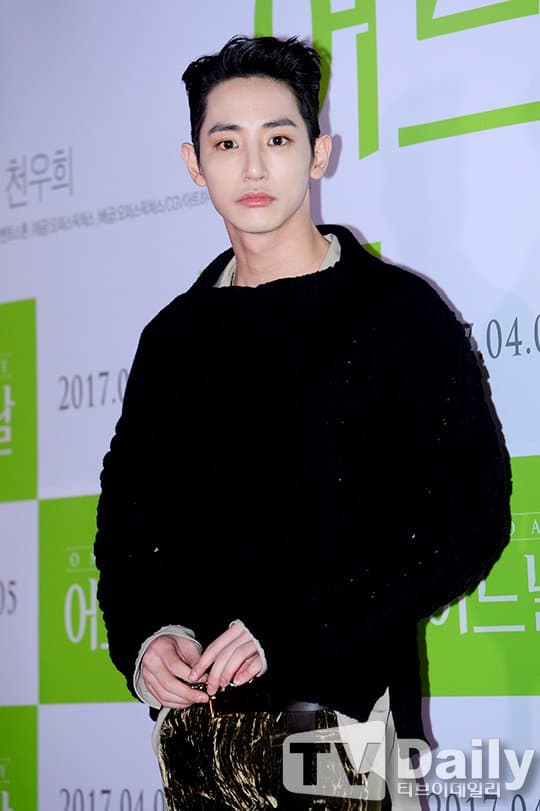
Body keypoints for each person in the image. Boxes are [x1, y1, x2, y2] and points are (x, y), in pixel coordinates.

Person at [94, 34, 512, 810]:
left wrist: (289, 629)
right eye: (227, 143)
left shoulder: (398, 316)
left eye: (278, 139)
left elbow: (467, 521)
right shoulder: (172, 340)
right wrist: (149, 638)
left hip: (342, 727)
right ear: (194, 163)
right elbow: (128, 531)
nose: (254, 168)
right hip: (199, 741)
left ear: (318, 153)